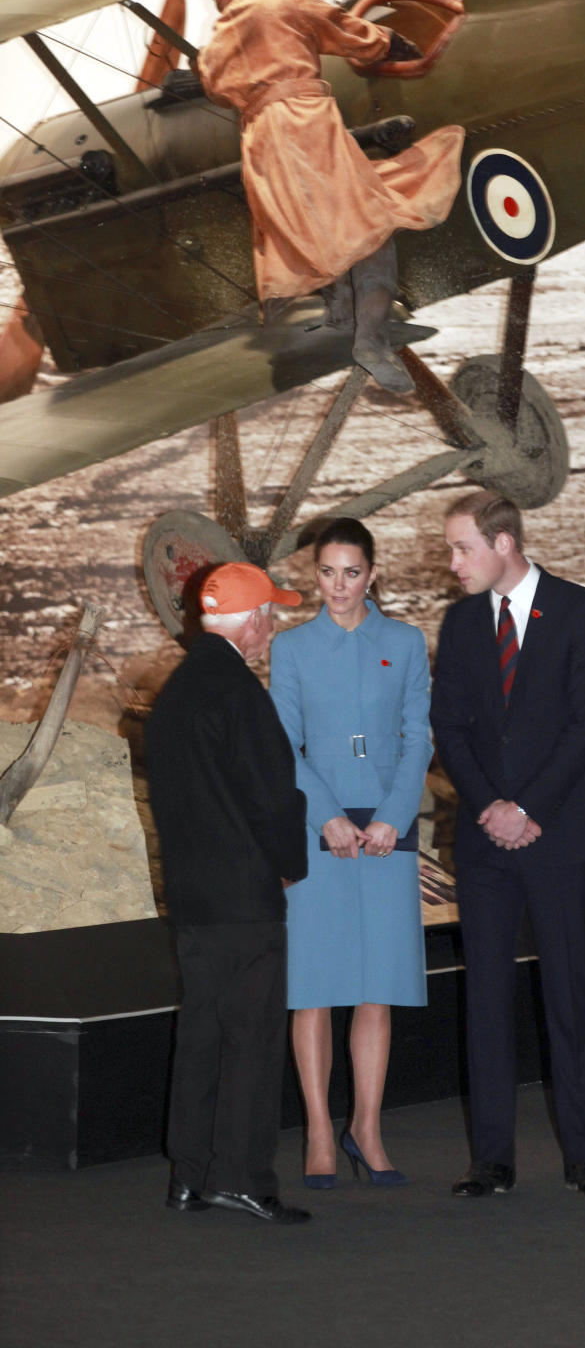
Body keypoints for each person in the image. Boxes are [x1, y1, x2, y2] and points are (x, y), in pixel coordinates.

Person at [431, 490, 585, 1196]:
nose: (452, 563)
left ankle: (583, 1154)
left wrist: (528, 807)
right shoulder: (460, 622)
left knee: (569, 995)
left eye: (461, 548)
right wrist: (491, 809)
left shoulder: (578, 609)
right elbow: (448, 727)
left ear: (503, 543)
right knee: (486, 998)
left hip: (558, 834)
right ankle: (491, 1159)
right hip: (486, 843)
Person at [196, 0, 465, 395]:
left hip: (261, 143)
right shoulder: (284, 1)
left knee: (311, 231)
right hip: (306, 125)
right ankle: (370, 342)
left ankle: (340, 317)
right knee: (369, 224)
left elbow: (216, 88)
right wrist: (388, 42)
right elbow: (346, 32)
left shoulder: (217, 39)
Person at [145, 561, 310, 1225]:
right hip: (245, 897)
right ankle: (240, 1177)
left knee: (203, 1034)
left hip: (192, 897)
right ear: (250, 622)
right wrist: (290, 861)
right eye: (269, 615)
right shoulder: (241, 693)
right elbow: (273, 796)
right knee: (250, 1038)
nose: (271, 627)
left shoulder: (176, 694)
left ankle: (188, 1174)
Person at [270, 517, 432, 1187]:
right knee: (313, 988)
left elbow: (417, 737)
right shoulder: (291, 647)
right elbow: (284, 745)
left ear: (373, 575)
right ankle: (317, 1130)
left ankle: (366, 1126)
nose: (339, 586)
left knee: (376, 988)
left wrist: (394, 816)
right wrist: (328, 817)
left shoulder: (407, 641)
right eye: (328, 572)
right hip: (319, 832)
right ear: (316, 574)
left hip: (388, 833)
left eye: (352, 572)